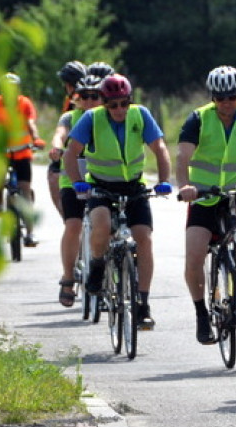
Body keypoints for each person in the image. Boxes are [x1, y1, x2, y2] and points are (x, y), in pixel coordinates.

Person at [63, 74, 173, 329]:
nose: (119, 110)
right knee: (100, 225)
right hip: (101, 186)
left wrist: (164, 180)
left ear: (129, 101)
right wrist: (77, 181)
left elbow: (160, 148)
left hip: (134, 186)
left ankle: (143, 304)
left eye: (123, 103)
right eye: (112, 105)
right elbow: (71, 153)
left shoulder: (141, 115)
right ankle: (98, 264)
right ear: (104, 104)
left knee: (144, 238)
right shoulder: (92, 119)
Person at [176, 66, 236, 344]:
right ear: (212, 97)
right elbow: (183, 157)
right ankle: (201, 313)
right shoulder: (198, 119)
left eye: (232, 96)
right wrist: (185, 186)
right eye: (220, 97)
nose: (226, 102)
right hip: (203, 196)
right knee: (194, 256)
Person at [50, 74, 103, 306]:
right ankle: (68, 278)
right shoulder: (70, 117)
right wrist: (56, 147)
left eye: (95, 96)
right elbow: (60, 134)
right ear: (76, 99)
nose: (90, 100)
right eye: (84, 96)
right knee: (73, 225)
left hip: (100, 179)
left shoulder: (106, 118)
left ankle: (106, 277)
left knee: (108, 226)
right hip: (72, 180)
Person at [0, 73, 45, 246]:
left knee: (25, 190)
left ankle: (30, 233)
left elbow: (30, 123)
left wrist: (36, 139)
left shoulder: (24, 103)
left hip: (21, 153)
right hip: (1, 153)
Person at [48, 61, 88, 219]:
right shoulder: (73, 101)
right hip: (70, 149)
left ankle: (67, 217)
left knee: (53, 176)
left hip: (77, 151)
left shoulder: (78, 99)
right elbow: (62, 128)